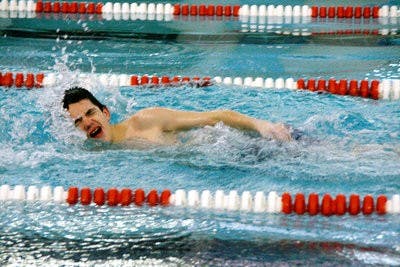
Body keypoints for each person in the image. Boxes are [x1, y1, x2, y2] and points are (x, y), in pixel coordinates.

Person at [62, 87, 293, 145]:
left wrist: (261, 125)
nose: (86, 123)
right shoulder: (95, 155)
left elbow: (214, 117)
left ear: (106, 112)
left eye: (90, 113)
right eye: (78, 121)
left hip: (245, 146)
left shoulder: (145, 120)